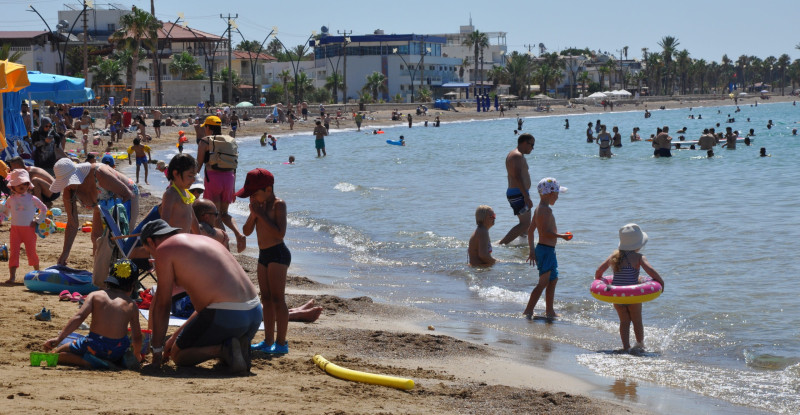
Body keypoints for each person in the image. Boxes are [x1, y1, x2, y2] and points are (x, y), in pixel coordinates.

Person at [142, 220, 262, 374]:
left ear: (151, 241)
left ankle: (224, 350)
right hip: (254, 314)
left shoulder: (164, 250)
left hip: (226, 315)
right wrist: (175, 338)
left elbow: (162, 305)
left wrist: (157, 351)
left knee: (179, 356)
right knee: (184, 342)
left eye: (149, 251)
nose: (154, 256)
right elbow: (204, 307)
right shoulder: (203, 241)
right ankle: (236, 346)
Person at [50, 158, 140, 285]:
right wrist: (65, 254)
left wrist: (120, 225)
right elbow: (72, 224)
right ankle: (100, 277)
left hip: (124, 198)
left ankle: (124, 280)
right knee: (96, 238)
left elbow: (127, 194)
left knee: (121, 242)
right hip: (100, 204)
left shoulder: (99, 173)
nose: (68, 185)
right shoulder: (69, 191)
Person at [43, 259, 143, 368]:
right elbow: (137, 336)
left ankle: (89, 362)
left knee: (62, 350)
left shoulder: (95, 295)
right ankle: (115, 361)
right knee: (122, 343)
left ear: (110, 280)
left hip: (94, 346)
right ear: (133, 285)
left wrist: (59, 339)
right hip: (117, 350)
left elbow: (79, 317)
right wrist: (136, 354)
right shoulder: (132, 305)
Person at [238, 169, 291, 354]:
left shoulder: (278, 205)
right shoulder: (257, 207)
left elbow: (279, 233)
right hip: (264, 255)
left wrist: (260, 214)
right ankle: (268, 341)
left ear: (268, 189)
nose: (251, 198)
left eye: (254, 194)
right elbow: (246, 231)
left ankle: (281, 343)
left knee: (278, 299)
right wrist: (254, 214)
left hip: (278, 253)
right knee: (266, 299)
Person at [594, 224, 664, 352]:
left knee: (624, 322)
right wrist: (661, 282)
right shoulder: (638, 257)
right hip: (633, 296)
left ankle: (625, 346)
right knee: (637, 321)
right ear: (638, 244)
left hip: (617, 296)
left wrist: (599, 279)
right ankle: (640, 345)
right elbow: (650, 270)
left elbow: (599, 271)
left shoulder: (614, 256)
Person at [196, 115, 247, 253]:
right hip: (229, 178)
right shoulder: (230, 141)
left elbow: (198, 165)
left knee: (215, 215)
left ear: (208, 127)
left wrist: (189, 183)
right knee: (225, 213)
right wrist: (233, 189)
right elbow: (234, 166)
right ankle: (238, 233)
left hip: (213, 178)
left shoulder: (205, 141)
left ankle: (226, 248)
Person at [523, 178, 569, 319]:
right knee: (543, 283)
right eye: (556, 193)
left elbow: (530, 231)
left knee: (552, 280)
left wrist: (532, 250)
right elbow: (544, 232)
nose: (558, 196)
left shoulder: (539, 209)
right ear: (549, 193)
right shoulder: (544, 211)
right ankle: (528, 310)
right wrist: (561, 236)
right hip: (546, 250)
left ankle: (549, 311)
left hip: (546, 250)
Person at [1, 169, 46, 283]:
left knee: (31, 252)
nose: (22, 185)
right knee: (14, 253)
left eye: (24, 183)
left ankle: (37, 274)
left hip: (29, 229)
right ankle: (12, 277)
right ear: (13, 186)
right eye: (18, 183)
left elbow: (44, 209)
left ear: (28, 185)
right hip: (15, 230)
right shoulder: (11, 199)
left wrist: (38, 220)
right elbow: (6, 213)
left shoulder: (32, 198)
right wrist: (1, 217)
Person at [499, 133, 535, 245]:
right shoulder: (516, 156)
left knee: (525, 224)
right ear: (525, 143)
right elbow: (517, 177)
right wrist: (526, 196)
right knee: (525, 224)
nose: (533, 148)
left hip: (519, 192)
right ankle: (501, 244)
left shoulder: (516, 155)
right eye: (531, 145)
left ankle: (523, 243)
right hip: (518, 193)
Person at [161, 154, 200, 234]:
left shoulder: (187, 194)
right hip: (175, 241)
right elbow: (164, 223)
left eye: (194, 176)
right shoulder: (171, 195)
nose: (193, 180)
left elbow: (193, 219)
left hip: (185, 240)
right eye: (190, 176)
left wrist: (200, 237)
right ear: (176, 174)